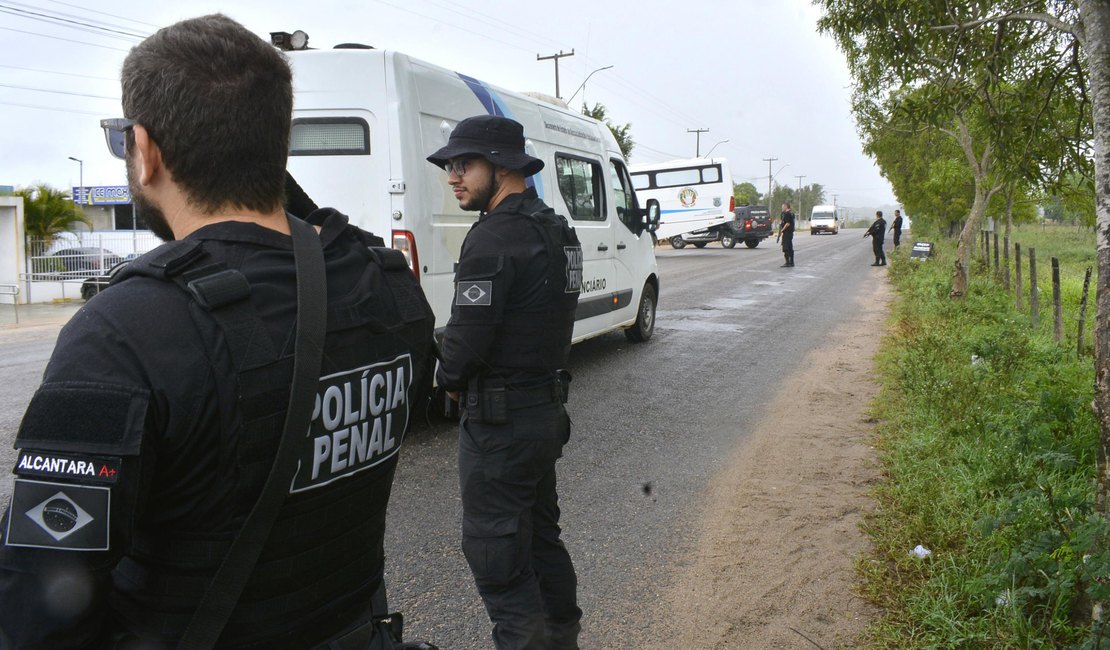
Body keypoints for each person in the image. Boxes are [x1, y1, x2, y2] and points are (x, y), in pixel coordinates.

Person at [0, 14, 435, 648]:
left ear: (144, 151)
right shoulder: (385, 284)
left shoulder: (127, 329)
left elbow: (37, 607)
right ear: (275, 147)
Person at [427, 114, 584, 650]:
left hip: (501, 425)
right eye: (450, 165)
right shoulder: (557, 228)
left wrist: (449, 380)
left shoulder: (494, 237)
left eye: (463, 164)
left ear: (501, 166)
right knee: (541, 541)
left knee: (499, 559)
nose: (453, 176)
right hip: (544, 413)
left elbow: (467, 341)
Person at [778, 201, 796, 267]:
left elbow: (787, 224)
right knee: (790, 247)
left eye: (783, 206)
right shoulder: (791, 213)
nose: (782, 208)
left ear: (786, 206)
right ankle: (791, 262)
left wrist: (782, 230)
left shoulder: (787, 214)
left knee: (786, 248)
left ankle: (788, 262)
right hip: (790, 233)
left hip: (787, 233)